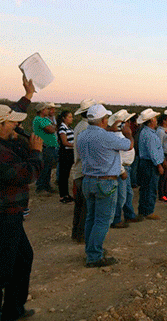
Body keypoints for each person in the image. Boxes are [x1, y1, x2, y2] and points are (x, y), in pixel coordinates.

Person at [0, 75, 41, 320]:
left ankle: (13, 309)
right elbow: (26, 175)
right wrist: (35, 153)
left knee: (23, 258)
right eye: (11, 123)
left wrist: (28, 95)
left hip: (4, 216)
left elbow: (13, 112)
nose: (16, 126)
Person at [77, 104, 133, 267]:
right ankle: (94, 255)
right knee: (102, 220)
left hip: (88, 179)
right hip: (105, 181)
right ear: (103, 120)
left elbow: (100, 137)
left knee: (91, 218)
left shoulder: (82, 135)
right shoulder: (106, 137)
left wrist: (110, 130)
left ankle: (91, 249)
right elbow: (128, 146)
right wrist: (128, 134)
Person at [106, 110, 142, 228]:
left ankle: (129, 214)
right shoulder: (118, 135)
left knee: (128, 193)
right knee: (121, 196)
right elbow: (117, 156)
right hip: (122, 168)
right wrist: (121, 170)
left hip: (126, 167)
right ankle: (116, 219)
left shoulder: (121, 134)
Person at [71, 98, 99, 243]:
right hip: (84, 171)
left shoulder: (80, 126)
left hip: (79, 170)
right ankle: (82, 235)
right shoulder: (86, 129)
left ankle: (76, 232)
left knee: (80, 205)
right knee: (86, 208)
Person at [136, 108, 164, 220]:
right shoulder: (150, 135)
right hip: (150, 164)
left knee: (145, 188)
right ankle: (148, 211)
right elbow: (153, 153)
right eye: (155, 118)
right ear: (151, 120)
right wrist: (159, 165)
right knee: (150, 188)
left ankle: (143, 210)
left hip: (145, 163)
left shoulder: (145, 132)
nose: (156, 120)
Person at [33, 102, 60, 194]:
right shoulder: (39, 120)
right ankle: (40, 187)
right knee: (44, 168)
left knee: (48, 168)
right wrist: (55, 127)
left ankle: (46, 186)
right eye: (47, 109)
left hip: (50, 147)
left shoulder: (45, 119)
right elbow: (51, 129)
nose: (49, 111)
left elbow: (52, 128)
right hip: (45, 147)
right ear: (42, 110)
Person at [57, 110, 75, 203]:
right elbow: (64, 142)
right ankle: (63, 196)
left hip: (70, 153)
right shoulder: (62, 128)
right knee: (63, 175)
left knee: (66, 175)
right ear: (64, 118)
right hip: (65, 153)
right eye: (69, 117)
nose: (71, 119)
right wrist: (75, 145)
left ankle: (66, 194)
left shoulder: (69, 127)